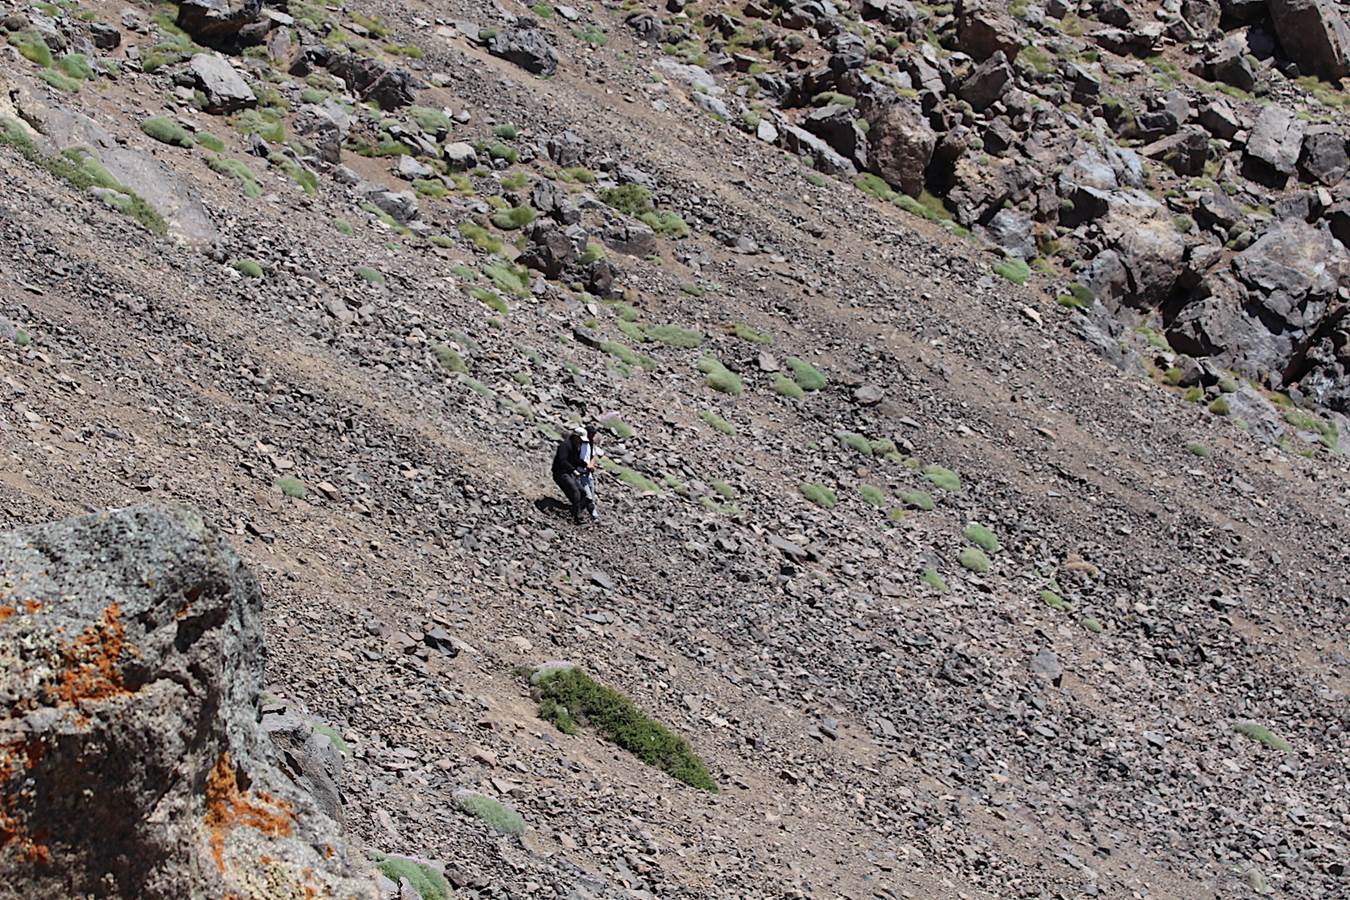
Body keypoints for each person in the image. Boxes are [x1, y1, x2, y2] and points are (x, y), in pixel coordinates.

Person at [551, 425, 595, 524]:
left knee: (583, 493)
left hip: (568, 473)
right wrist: (573, 470)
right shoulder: (564, 446)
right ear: (575, 437)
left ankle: (575, 511)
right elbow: (563, 461)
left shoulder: (575, 447)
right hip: (560, 473)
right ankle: (577, 518)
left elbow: (575, 460)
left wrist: (585, 465)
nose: (581, 442)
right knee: (576, 493)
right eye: (580, 439)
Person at [578, 424, 600, 522]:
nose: (592, 436)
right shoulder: (579, 444)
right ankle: (593, 515)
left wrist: (591, 465)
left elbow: (593, 457)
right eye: (591, 434)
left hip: (588, 474)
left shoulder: (590, 444)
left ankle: (590, 512)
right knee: (588, 496)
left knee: (591, 493)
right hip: (580, 473)